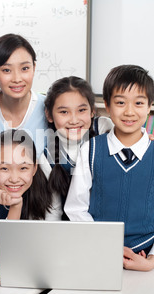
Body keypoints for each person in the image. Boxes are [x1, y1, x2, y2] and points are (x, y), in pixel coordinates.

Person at [64, 65, 154, 272]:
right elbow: (76, 208)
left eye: (139, 103)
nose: (129, 111)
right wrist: (103, 246)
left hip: (144, 253)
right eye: (120, 102)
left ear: (149, 107)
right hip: (98, 252)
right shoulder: (91, 150)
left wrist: (152, 260)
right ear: (108, 106)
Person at [0, 129, 63, 256]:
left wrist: (3, 248)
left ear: (35, 168)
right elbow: (4, 241)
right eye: (4, 168)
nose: (14, 179)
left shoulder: (48, 177)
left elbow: (52, 234)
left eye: (23, 168)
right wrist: (16, 206)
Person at [40, 76, 113, 211]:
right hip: (72, 226)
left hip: (108, 220)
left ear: (92, 111)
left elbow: (130, 140)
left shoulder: (103, 127)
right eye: (64, 112)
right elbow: (54, 212)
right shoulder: (47, 157)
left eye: (81, 110)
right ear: (49, 115)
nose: (74, 120)